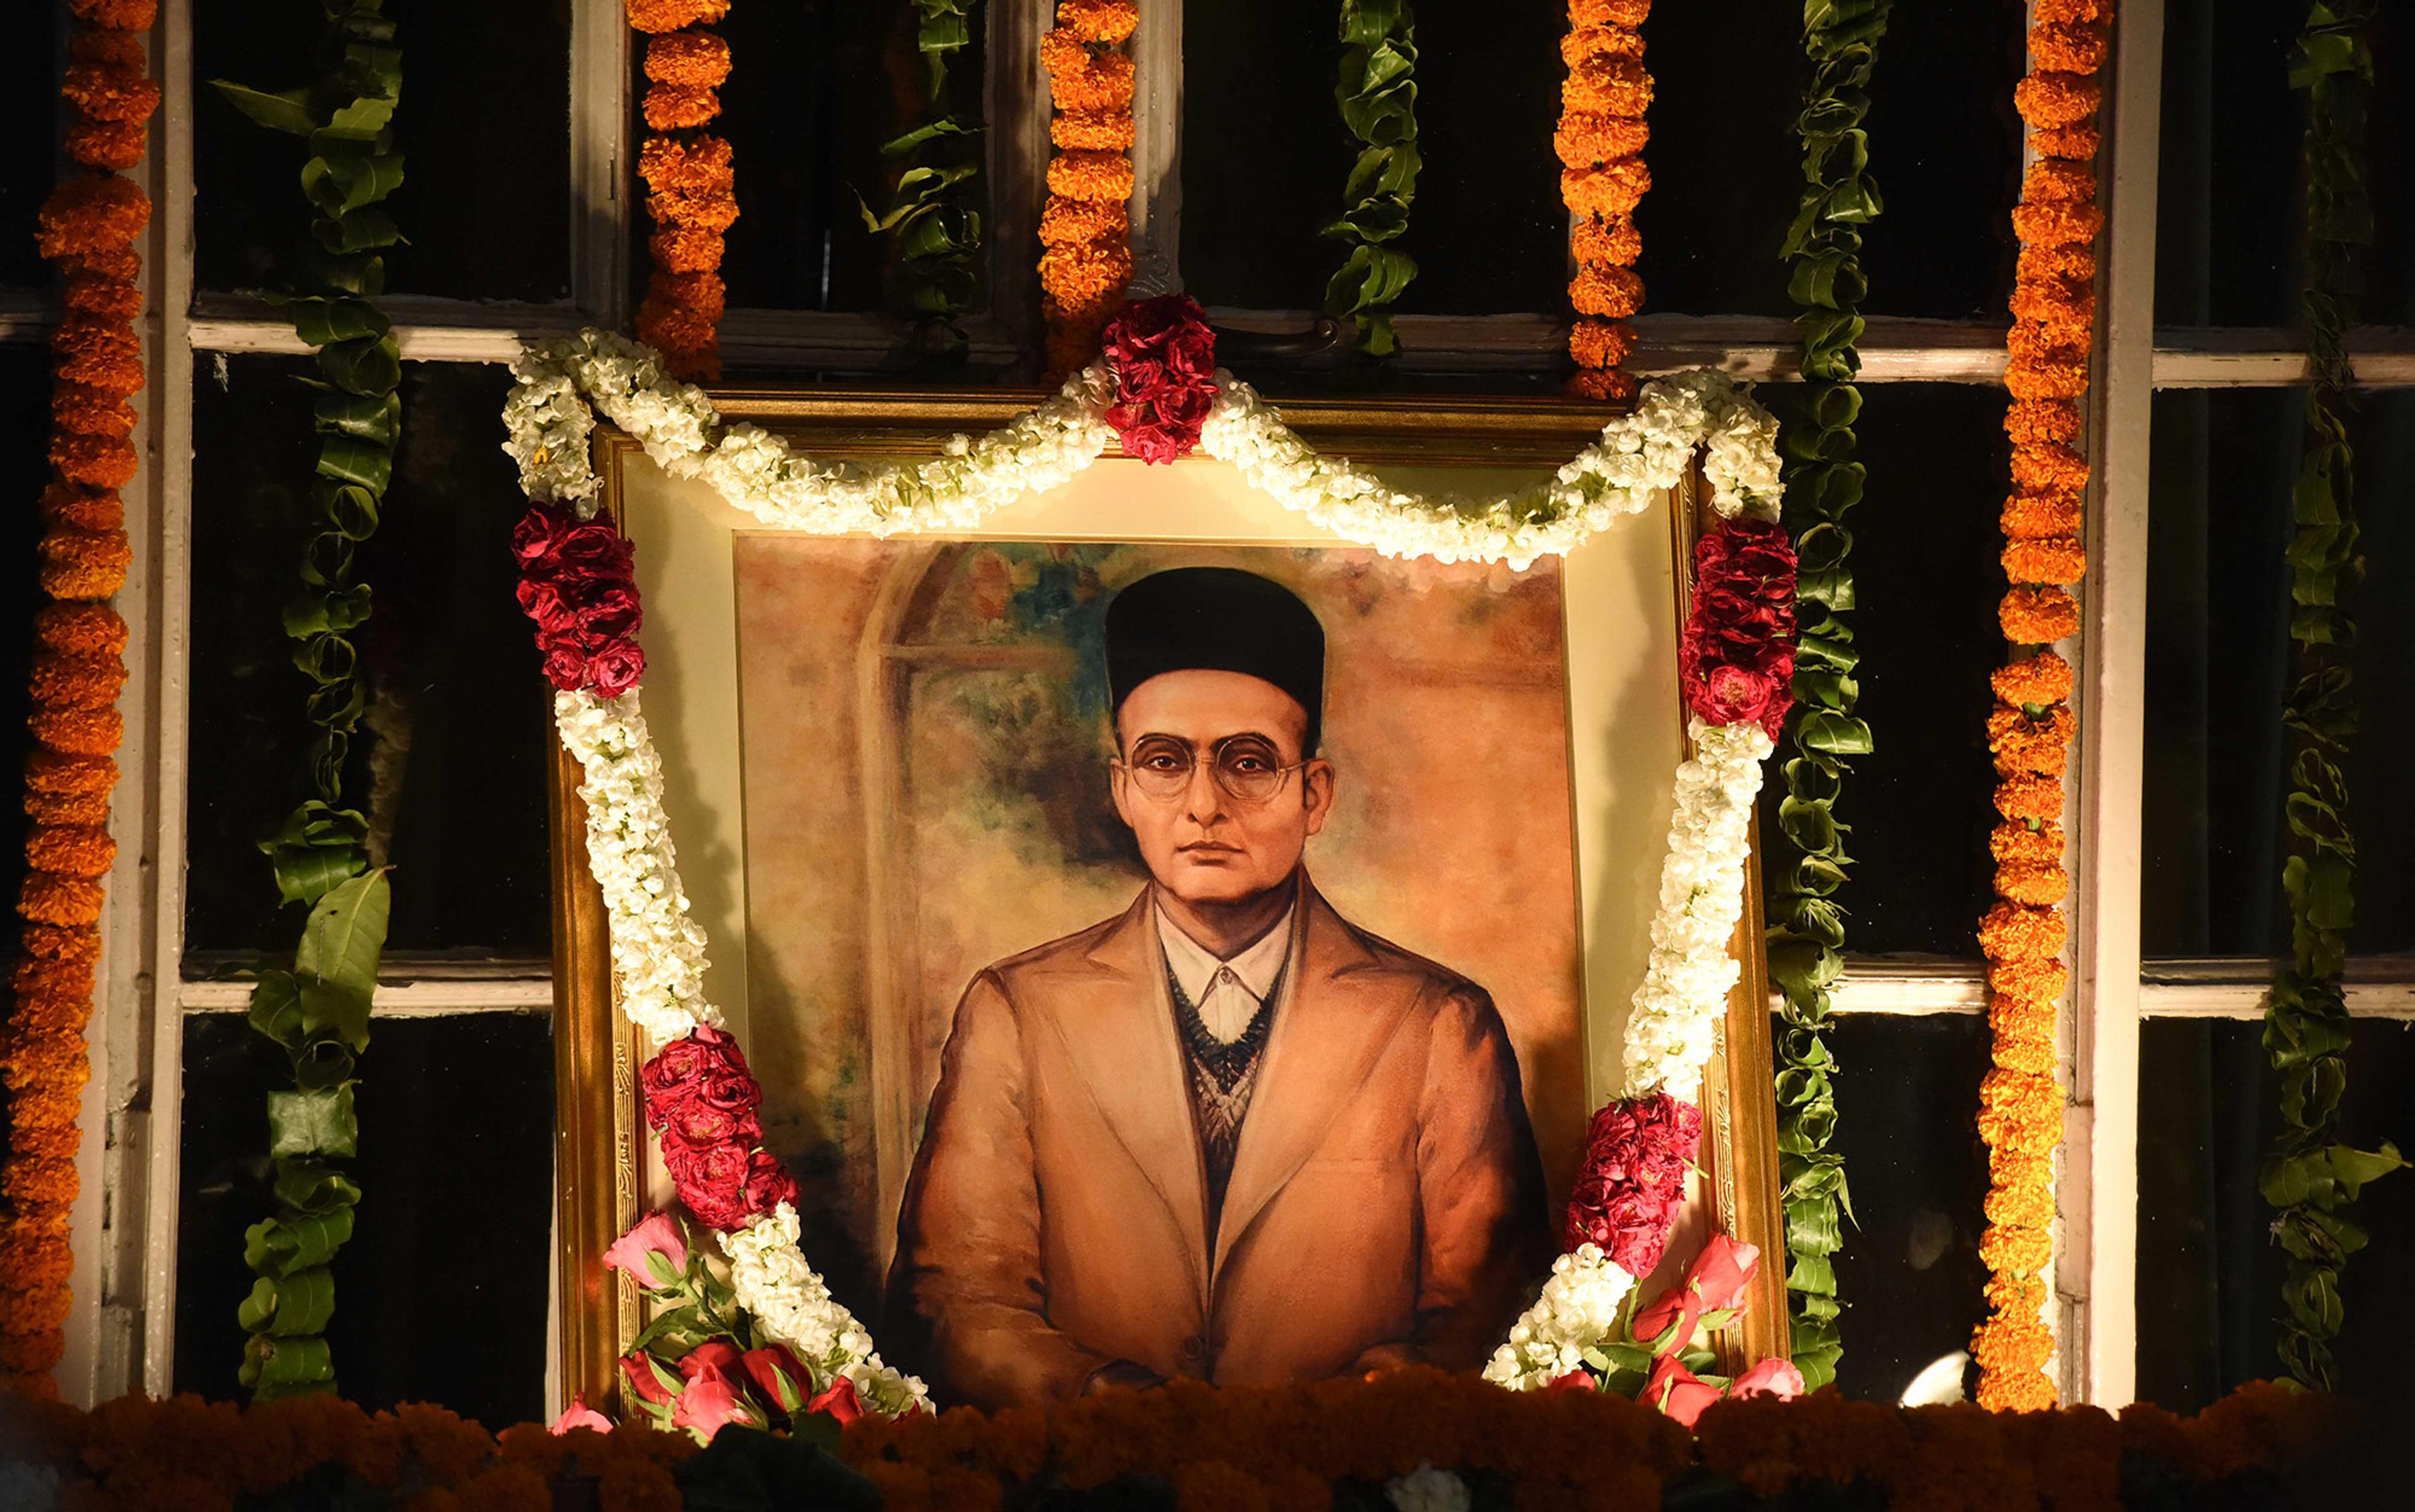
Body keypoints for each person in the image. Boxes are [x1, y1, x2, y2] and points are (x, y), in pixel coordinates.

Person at [885, 565, 1550, 1410]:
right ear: (1122, 787)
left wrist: (1308, 1444)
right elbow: (955, 1305)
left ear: (1313, 793)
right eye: (1165, 761)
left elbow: (1490, 1317)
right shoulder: (1018, 1010)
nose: (1205, 804)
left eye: (1247, 761)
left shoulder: (1436, 1024)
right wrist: (1119, 1413)